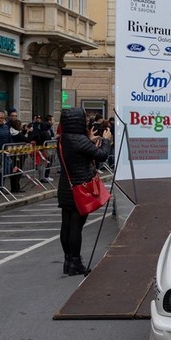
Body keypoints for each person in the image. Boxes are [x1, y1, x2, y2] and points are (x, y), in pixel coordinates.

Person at [56, 107, 112, 276]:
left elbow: (78, 152)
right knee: (76, 227)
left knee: (66, 225)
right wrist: (107, 140)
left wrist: (89, 139)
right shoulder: (79, 140)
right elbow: (102, 155)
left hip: (66, 187)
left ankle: (68, 261)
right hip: (80, 188)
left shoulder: (63, 138)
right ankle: (75, 263)